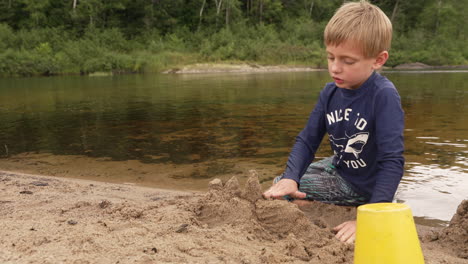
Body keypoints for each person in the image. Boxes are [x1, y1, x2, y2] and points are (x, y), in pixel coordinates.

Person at [263, 0, 404, 244]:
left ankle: (365, 203)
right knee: (285, 180)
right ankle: (308, 196)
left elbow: (393, 160)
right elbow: (307, 140)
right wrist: (290, 177)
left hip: (363, 184)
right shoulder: (330, 92)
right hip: (341, 165)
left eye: (347, 61)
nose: (335, 68)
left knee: (280, 187)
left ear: (378, 60)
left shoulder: (383, 95)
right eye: (330, 57)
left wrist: (368, 218)